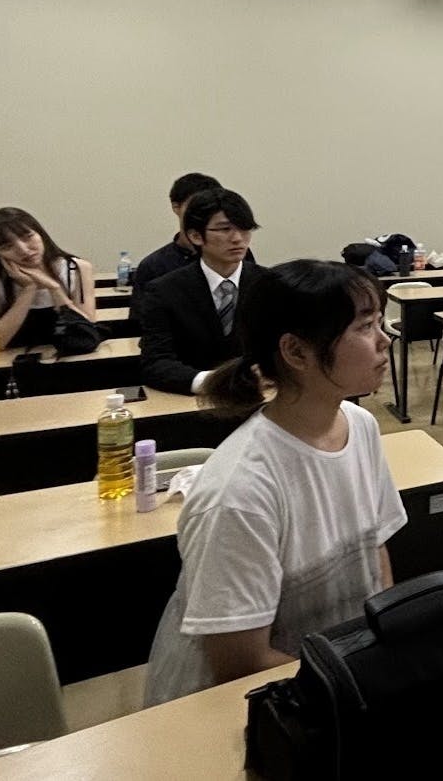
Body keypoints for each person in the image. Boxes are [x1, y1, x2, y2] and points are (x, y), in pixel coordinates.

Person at [143, 259, 406, 705]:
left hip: (336, 676)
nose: (385, 339)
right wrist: (358, 683)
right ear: (296, 352)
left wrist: (383, 646)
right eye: (365, 327)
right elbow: (240, 663)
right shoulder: (239, 491)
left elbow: (374, 549)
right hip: (251, 704)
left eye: (380, 322)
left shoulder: (360, 425)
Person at [139, 188, 263, 395]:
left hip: (261, 396)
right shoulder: (164, 291)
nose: (238, 238)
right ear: (196, 236)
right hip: (191, 400)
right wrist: (214, 382)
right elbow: (156, 363)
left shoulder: (270, 284)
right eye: (225, 229)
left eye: (245, 229)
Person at [0, 208, 96, 350]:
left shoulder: (77, 269)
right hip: (10, 360)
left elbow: (88, 332)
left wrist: (55, 289)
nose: (23, 250)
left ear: (40, 234)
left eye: (28, 237)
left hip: (70, 356)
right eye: (7, 247)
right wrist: (28, 289)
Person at [131, 173, 223, 315]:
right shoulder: (154, 265)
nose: (204, 213)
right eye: (195, 206)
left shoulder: (234, 254)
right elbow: (140, 321)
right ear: (176, 207)